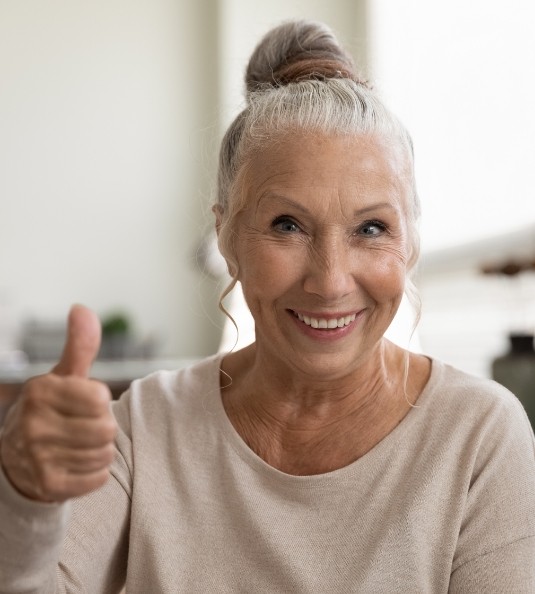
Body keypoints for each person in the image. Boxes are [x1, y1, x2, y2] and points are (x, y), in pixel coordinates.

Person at [1, 19, 534, 593]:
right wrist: (26, 499)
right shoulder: (145, 426)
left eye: (371, 228)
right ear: (227, 237)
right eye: (287, 224)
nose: (330, 281)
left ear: (410, 244)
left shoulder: (479, 436)